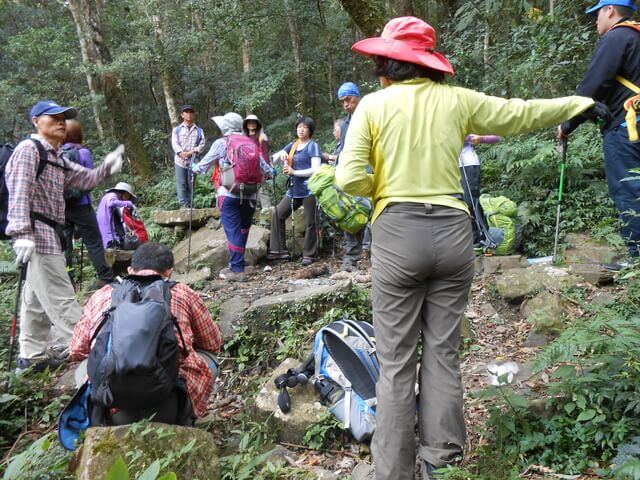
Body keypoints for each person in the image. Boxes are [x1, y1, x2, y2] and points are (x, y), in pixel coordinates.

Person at [335, 17, 602, 480]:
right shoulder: (458, 100)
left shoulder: (372, 107)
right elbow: (522, 112)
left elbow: (348, 177)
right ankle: (443, 464)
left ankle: (393, 472)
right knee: (443, 352)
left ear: (389, 62)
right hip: (454, 234)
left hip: (398, 233)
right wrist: (582, 101)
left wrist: (388, 183)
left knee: (396, 361)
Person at [6, 100, 124, 373]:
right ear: (36, 121)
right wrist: (21, 232)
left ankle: (31, 356)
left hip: (49, 231)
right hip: (36, 232)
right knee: (61, 294)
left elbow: (85, 179)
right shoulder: (29, 150)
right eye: (53, 117)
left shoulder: (55, 157)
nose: (60, 121)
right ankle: (94, 348)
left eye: (63, 118)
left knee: (34, 299)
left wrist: (107, 167)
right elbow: (19, 189)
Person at [69, 242, 223, 422]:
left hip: (113, 403)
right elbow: (212, 343)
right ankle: (187, 418)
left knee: (83, 368)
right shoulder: (182, 293)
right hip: (168, 406)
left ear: (130, 269)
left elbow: (76, 350)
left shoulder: (102, 295)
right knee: (209, 359)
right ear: (168, 272)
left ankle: (101, 420)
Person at [559, 0, 640, 258]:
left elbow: (594, 86)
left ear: (610, 10)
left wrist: (567, 123)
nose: (595, 20)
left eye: (597, 14)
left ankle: (637, 260)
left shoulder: (617, 38)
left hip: (627, 128)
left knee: (630, 189)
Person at [191, 112, 272, 282]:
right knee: (243, 230)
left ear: (224, 127)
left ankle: (237, 270)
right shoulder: (250, 142)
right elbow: (267, 169)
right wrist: (273, 172)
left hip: (228, 193)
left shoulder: (222, 143)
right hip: (250, 194)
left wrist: (193, 167)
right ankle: (238, 264)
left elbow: (203, 166)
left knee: (233, 231)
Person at [62, 119, 115, 289]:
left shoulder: (56, 153)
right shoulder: (83, 153)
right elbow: (91, 181)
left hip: (61, 207)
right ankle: (105, 278)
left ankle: (67, 281)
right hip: (82, 205)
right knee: (93, 242)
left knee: (65, 246)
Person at [267, 116, 321, 266]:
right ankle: (278, 250)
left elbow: (316, 169)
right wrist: (281, 154)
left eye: (304, 127)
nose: (301, 129)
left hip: (310, 189)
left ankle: (310, 254)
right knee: (277, 213)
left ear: (310, 130)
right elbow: (274, 159)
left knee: (310, 221)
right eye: (299, 127)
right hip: (294, 189)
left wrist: (294, 172)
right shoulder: (293, 145)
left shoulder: (312, 146)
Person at [335, 82, 371, 271]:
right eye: (342, 102)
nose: (346, 104)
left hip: (373, 173)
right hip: (353, 176)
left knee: (378, 218)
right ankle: (350, 261)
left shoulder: (372, 114)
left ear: (358, 96)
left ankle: (381, 260)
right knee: (352, 216)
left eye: (348, 99)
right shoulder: (346, 123)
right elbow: (344, 149)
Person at [459, 134, 502, 246]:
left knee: (470, 203)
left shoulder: (465, 120)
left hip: (467, 165)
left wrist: (479, 138)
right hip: (446, 166)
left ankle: (479, 240)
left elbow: (496, 137)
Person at [171, 105, 206, 209]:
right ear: (182, 115)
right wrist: (182, 153)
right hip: (179, 160)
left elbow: (202, 144)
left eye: (191, 112)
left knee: (191, 183)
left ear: (194, 114)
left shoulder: (199, 130)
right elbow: (175, 143)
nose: (189, 114)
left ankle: (191, 205)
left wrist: (190, 153)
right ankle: (183, 205)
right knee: (181, 183)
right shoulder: (177, 129)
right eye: (186, 112)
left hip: (193, 160)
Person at [243, 114, 272, 212]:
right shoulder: (244, 137)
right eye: (249, 122)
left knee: (262, 187)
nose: (251, 124)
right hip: (247, 165)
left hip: (260, 164)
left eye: (253, 122)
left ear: (257, 124)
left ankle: (266, 209)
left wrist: (266, 168)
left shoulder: (262, 136)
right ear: (246, 124)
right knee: (249, 186)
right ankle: (252, 208)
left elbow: (265, 153)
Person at [96, 182, 137, 249]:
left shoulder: (110, 197)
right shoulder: (112, 195)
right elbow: (111, 203)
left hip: (106, 228)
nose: (125, 199)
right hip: (107, 230)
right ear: (122, 192)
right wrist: (128, 203)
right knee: (110, 245)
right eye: (126, 196)